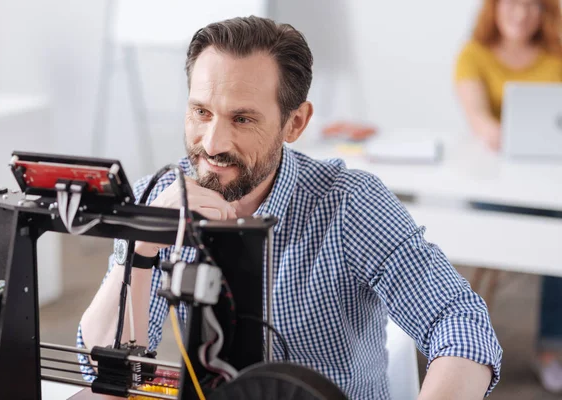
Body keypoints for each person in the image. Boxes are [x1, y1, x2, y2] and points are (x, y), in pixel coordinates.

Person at [78, 16, 502, 399]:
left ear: (295, 123)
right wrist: (144, 243)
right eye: (201, 112)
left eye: (242, 119)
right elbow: (102, 370)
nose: (212, 143)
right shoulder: (158, 196)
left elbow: (460, 322)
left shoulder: (350, 203)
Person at [454, 0, 562, 393]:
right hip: (497, 186)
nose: (522, 14)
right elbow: (479, 118)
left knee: (557, 232)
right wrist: (495, 132)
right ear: (495, 11)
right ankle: (469, 342)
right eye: (513, 5)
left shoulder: (557, 53)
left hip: (552, 184)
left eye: (532, 6)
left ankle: (552, 346)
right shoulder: (474, 55)